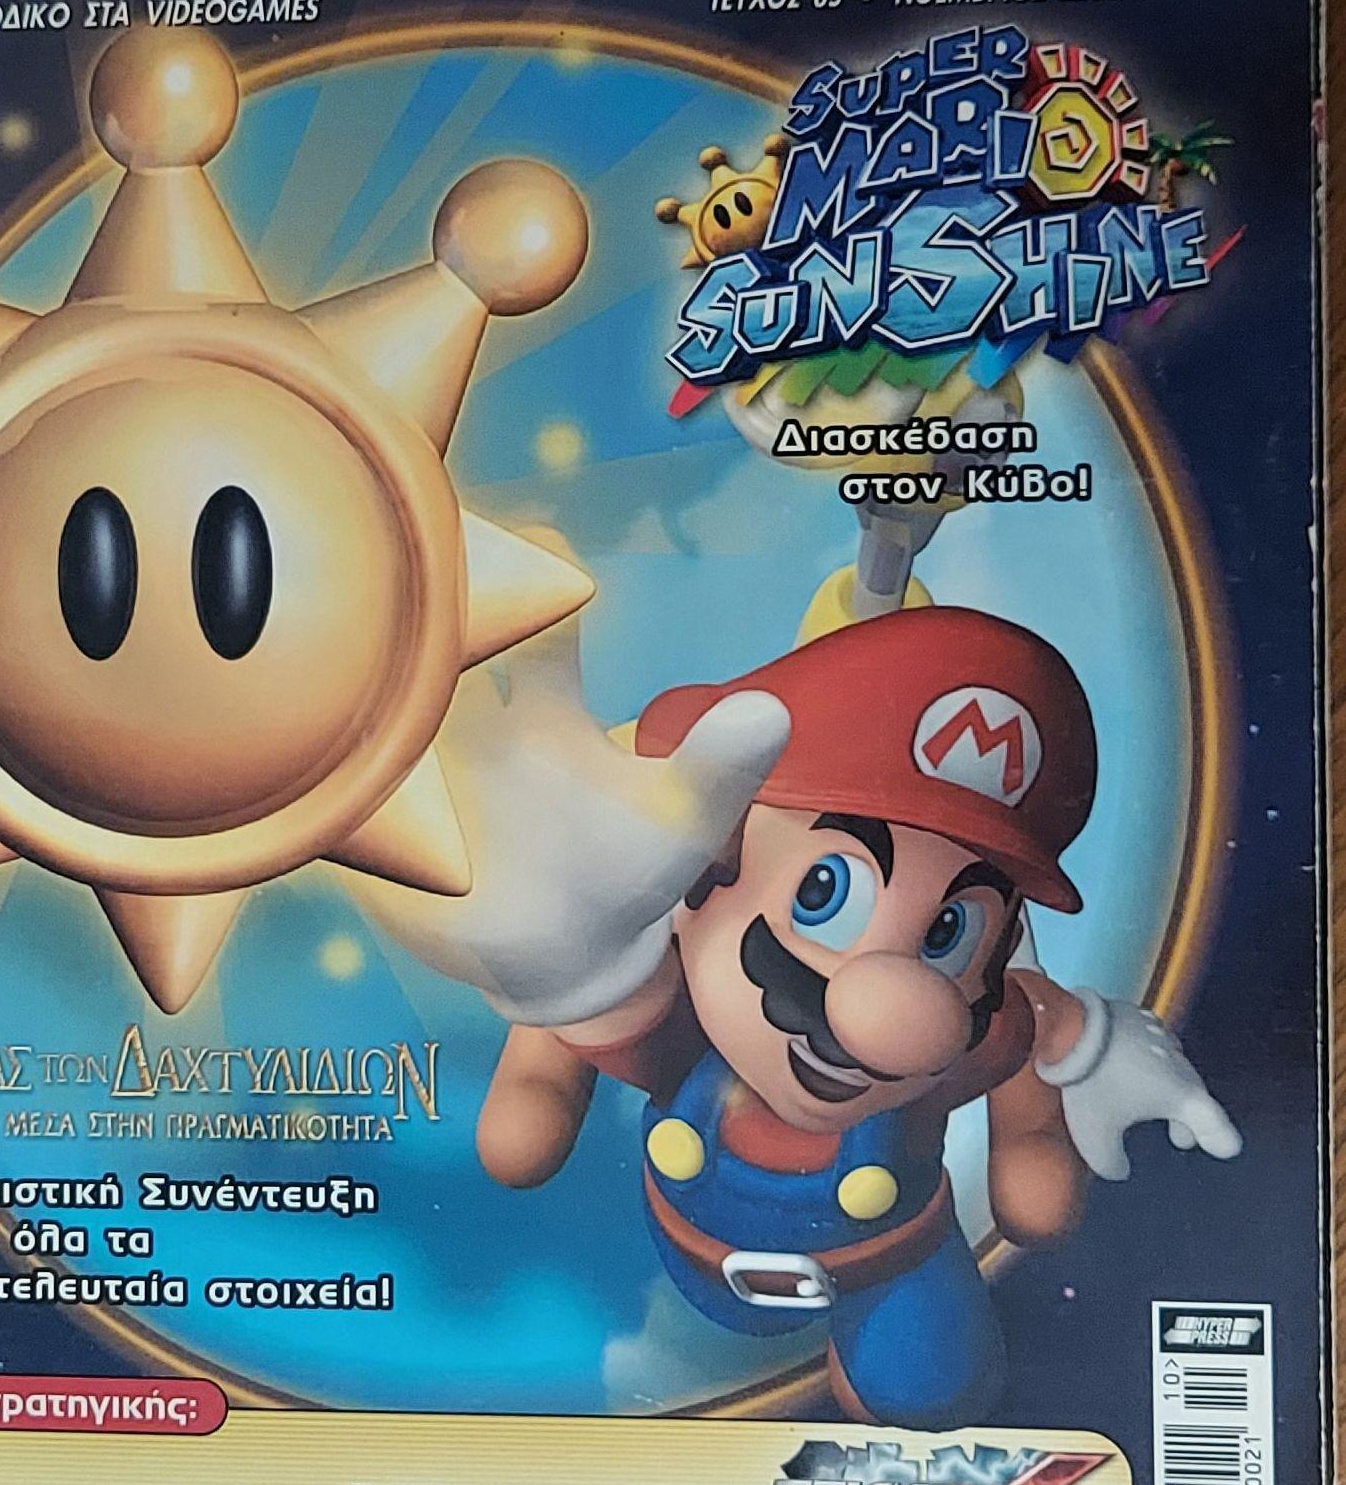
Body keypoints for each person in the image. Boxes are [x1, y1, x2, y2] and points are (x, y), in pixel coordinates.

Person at [344, 598, 1241, 1427]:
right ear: (705, 878)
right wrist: (551, 1001)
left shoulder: (984, 1035)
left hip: (889, 1263)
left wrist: (1038, 1137)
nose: (888, 1006)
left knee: (931, 1393)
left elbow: (1028, 1114)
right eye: (823, 893)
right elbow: (594, 1029)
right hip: (695, 1262)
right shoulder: (683, 1009)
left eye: (950, 933)